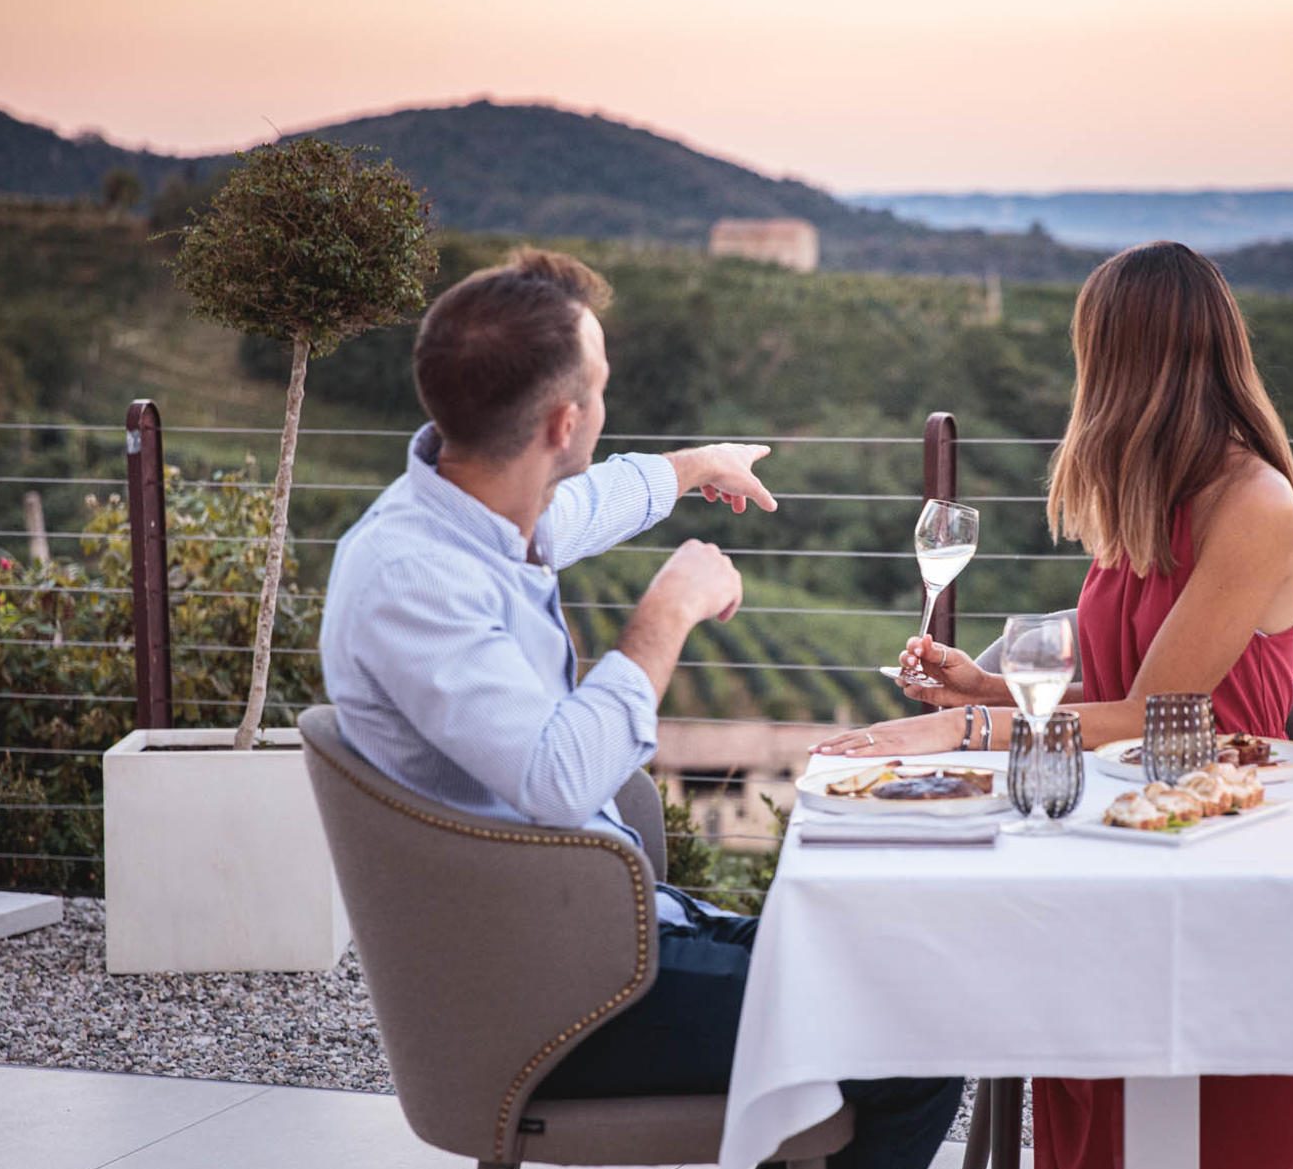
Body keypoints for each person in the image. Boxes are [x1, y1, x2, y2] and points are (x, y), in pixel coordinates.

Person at [320, 247, 962, 1169]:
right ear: (564, 420)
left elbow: (586, 501)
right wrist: (667, 610)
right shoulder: (414, 579)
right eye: (602, 385)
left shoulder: (473, 510)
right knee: (916, 1027)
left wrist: (698, 464)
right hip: (560, 993)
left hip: (602, 933)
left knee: (884, 961)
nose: (605, 406)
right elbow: (554, 777)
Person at [811, 242, 1293, 1168]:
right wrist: (988, 687)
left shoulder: (1254, 501)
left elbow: (1164, 715)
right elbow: (1116, 688)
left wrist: (962, 731)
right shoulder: (1149, 492)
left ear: (1126, 361)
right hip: (1120, 829)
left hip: (1220, 851)